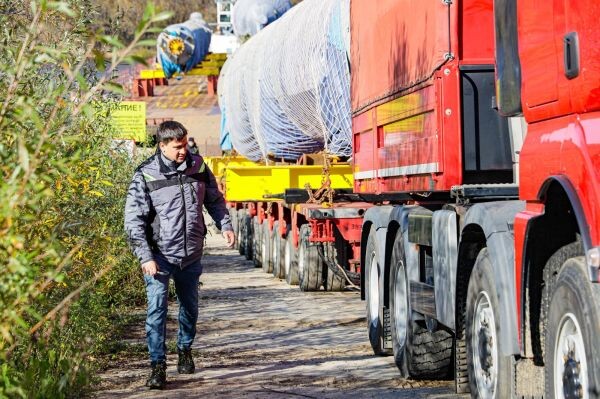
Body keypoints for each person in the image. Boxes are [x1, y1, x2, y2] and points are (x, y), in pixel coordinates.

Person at [124, 120, 235, 389]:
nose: (182, 151)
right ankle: (157, 366)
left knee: (190, 309)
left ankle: (185, 350)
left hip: (191, 255)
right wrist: (145, 256)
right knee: (156, 311)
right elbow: (133, 220)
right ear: (162, 146)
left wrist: (226, 225)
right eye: (177, 147)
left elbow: (214, 200)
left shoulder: (198, 167)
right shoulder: (146, 175)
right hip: (159, 257)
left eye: (184, 144)